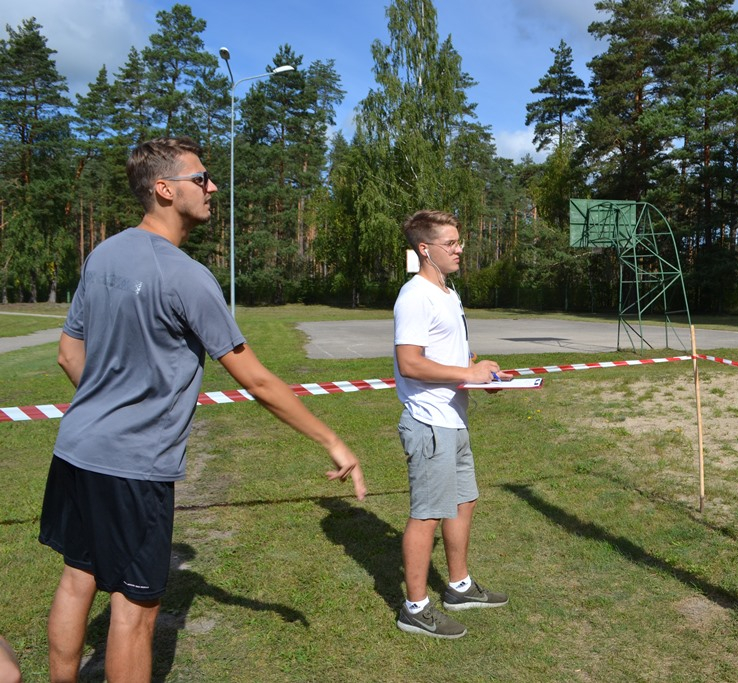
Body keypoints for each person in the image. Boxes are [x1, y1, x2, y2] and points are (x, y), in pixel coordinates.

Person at [38, 137, 367, 683]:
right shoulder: (188, 276)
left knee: (78, 578)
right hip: (133, 466)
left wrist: (107, 400)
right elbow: (257, 379)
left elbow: (69, 353)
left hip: (75, 449)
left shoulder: (103, 254)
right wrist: (333, 441)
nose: (212, 187)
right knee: (134, 610)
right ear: (165, 190)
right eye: (201, 178)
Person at [392, 210, 510, 639]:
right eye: (451, 243)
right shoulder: (415, 296)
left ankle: (458, 587)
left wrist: (480, 372)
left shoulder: (448, 292)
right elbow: (410, 362)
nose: (460, 249)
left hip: (455, 419)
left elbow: (449, 356)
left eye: (460, 241)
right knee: (427, 514)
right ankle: (414, 608)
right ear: (426, 249)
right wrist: (469, 374)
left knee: (464, 501)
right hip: (429, 423)